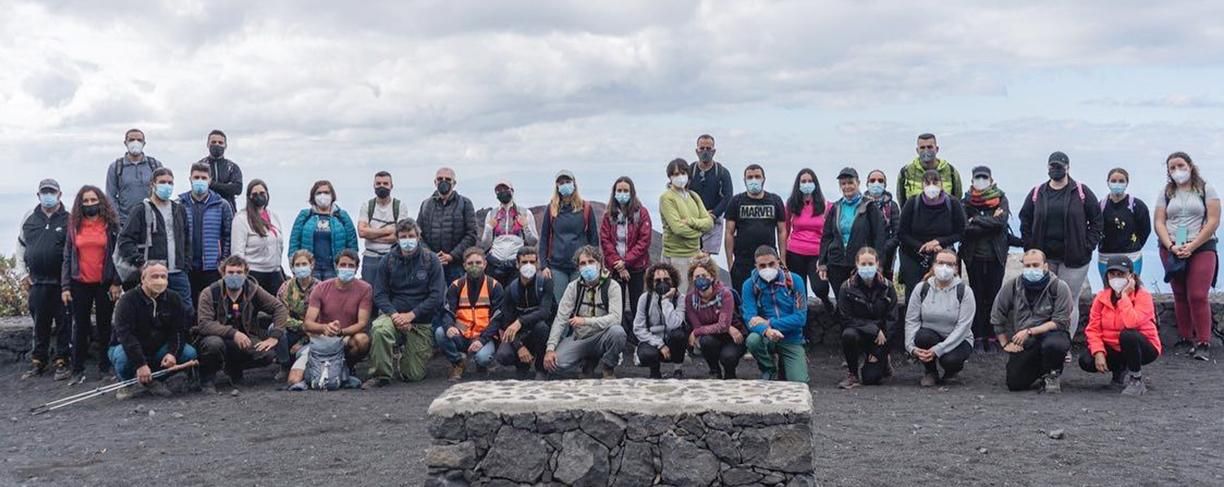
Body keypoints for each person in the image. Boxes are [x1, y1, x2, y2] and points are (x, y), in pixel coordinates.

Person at [1019, 151, 1103, 348]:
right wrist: (1030, 247)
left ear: (1067, 167)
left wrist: (1087, 246)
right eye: (1052, 166)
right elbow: (1025, 220)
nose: (1055, 169)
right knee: (1043, 300)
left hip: (1075, 259)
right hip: (1044, 258)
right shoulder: (1037, 193)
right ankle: (1043, 343)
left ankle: (1063, 344)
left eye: (1059, 166)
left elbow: (1097, 221)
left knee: (1069, 301)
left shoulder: (1081, 192)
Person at [365, 218, 447, 387]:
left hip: (421, 322)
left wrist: (411, 315)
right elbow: (379, 294)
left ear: (418, 237)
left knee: (413, 375)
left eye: (411, 236)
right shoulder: (387, 261)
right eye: (403, 237)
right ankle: (381, 375)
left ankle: (405, 356)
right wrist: (395, 315)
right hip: (393, 316)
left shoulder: (431, 260)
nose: (407, 240)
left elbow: (437, 297)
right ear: (397, 238)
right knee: (379, 330)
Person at [1154, 151, 1220, 361]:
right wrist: (1171, 245)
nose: (1177, 171)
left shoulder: (1205, 189)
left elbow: (1213, 220)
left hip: (1201, 246)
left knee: (1198, 295)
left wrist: (1193, 245)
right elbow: (1159, 221)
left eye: (1180, 166)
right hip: (1172, 247)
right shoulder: (1166, 192)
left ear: (1190, 166)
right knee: (1180, 294)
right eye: (1172, 168)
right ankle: (1185, 338)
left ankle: (1203, 341)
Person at [194, 255, 289, 393]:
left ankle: (235, 371)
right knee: (214, 344)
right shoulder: (210, 292)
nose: (235, 276)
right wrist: (233, 333)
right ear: (223, 273)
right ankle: (207, 379)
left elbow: (279, 308)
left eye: (239, 272)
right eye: (230, 272)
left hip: (245, 338)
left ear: (246, 273)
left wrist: (274, 336)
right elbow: (204, 324)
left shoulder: (253, 290)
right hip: (215, 337)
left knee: (267, 354)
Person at [109, 261, 198, 399]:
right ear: (143, 279)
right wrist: (140, 364)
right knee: (123, 358)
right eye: (154, 276)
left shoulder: (174, 298)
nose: (159, 280)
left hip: (159, 347)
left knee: (189, 353)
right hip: (129, 347)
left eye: (163, 277)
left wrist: (172, 353)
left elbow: (178, 330)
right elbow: (125, 336)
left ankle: (154, 380)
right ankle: (125, 383)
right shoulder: (127, 300)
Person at [61, 185, 123, 382]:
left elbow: (118, 255)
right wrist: (65, 286)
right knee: (80, 327)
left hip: (105, 283)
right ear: (80, 204)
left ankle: (105, 367)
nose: (90, 204)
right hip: (80, 283)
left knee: (105, 326)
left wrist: (116, 282)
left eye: (93, 200)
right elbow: (67, 256)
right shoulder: (74, 226)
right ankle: (77, 369)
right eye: (86, 201)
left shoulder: (111, 226)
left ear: (101, 202)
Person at [286, 249, 373, 388]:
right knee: (293, 381)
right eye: (343, 265)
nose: (346, 268)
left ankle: (347, 366)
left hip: (345, 338)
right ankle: (316, 371)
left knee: (362, 340)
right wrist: (325, 328)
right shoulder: (321, 288)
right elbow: (308, 323)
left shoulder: (365, 288)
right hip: (321, 341)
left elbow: (362, 323)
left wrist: (340, 332)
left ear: (357, 268)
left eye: (351, 265)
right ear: (336, 266)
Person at [991, 250, 1073, 393]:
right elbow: (997, 315)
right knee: (1015, 383)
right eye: (1027, 266)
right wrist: (1005, 343)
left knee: (1055, 345)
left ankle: (1052, 374)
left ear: (1045, 266)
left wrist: (1029, 331)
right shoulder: (1012, 285)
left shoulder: (1059, 287)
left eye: (1036, 265)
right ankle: (1040, 370)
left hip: (1051, 334)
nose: (1031, 269)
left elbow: (1061, 321)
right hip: (1025, 341)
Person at [1080, 255, 1161, 395]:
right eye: (1112, 274)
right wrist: (1098, 352)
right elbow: (1093, 328)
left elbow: (1131, 322)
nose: (1116, 278)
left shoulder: (1143, 296)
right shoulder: (1101, 298)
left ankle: (1136, 379)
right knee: (1086, 360)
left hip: (1143, 348)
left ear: (1131, 276)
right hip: (1113, 347)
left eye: (1121, 274)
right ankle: (1119, 370)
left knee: (1128, 335)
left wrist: (1124, 296)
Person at [116, 167, 193, 312]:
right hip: (153, 273)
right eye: (162, 182)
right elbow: (125, 240)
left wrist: (186, 264)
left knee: (185, 312)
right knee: (152, 312)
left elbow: (187, 239)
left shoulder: (179, 209)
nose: (167, 186)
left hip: (178, 272)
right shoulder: (140, 210)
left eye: (170, 182)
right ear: (152, 184)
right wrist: (141, 263)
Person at [543, 245, 627, 378]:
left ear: (600, 263)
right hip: (580, 338)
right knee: (555, 364)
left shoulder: (612, 286)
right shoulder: (573, 287)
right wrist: (550, 349)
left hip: (603, 337)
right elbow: (561, 319)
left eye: (591, 261)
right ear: (578, 267)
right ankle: (588, 362)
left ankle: (608, 367)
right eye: (583, 263)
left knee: (618, 332)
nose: (587, 266)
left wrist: (585, 321)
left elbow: (616, 318)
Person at [17, 179, 71, 380]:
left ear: (59, 194)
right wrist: (22, 273)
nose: (48, 196)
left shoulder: (69, 219)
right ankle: (38, 361)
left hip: (61, 283)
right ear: (38, 195)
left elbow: (74, 251)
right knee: (40, 323)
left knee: (64, 322)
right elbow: (20, 246)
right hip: (37, 282)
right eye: (44, 192)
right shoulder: (29, 218)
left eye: (52, 192)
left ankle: (62, 361)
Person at [960, 166, 1012, 353]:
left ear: (991, 180)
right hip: (974, 257)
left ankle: (992, 335)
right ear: (972, 180)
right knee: (976, 296)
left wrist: (976, 219)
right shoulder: (965, 202)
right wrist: (989, 223)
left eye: (984, 177)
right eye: (978, 177)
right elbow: (965, 228)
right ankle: (978, 336)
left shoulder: (1001, 198)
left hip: (996, 256)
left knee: (994, 297)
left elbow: (1001, 224)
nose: (981, 181)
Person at [904, 249, 974, 387]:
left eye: (949, 264)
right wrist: (911, 347)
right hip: (930, 336)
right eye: (940, 263)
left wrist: (939, 349)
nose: (944, 267)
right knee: (922, 337)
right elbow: (911, 320)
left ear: (956, 268)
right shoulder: (921, 288)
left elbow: (963, 327)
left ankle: (951, 372)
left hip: (959, 339)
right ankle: (930, 372)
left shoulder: (965, 292)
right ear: (933, 265)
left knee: (950, 360)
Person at [743, 245, 809, 382]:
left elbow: (800, 318)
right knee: (752, 341)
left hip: (791, 338)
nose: (767, 268)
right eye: (762, 266)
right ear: (756, 266)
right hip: (766, 336)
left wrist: (770, 322)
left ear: (778, 262)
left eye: (771, 264)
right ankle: (768, 368)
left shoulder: (795, 280)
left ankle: (786, 364)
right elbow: (749, 318)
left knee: (799, 382)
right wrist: (767, 331)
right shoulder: (749, 285)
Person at [437, 248, 505, 381]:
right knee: (440, 332)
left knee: (483, 358)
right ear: (464, 266)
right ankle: (458, 362)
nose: (474, 266)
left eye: (478, 263)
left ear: (485, 264)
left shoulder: (494, 286)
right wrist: (449, 326)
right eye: (470, 263)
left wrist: (482, 340)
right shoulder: (456, 286)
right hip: (461, 334)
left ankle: (481, 363)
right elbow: (447, 312)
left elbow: (497, 319)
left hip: (485, 335)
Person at [819, 168, 885, 304]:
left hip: (860, 263)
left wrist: (879, 264)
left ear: (858, 183)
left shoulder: (869, 206)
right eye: (843, 184)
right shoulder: (836, 207)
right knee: (842, 302)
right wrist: (822, 263)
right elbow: (827, 236)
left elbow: (879, 236)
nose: (847, 186)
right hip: (836, 263)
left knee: (860, 302)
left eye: (850, 183)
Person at [898, 169, 966, 301]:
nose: (931, 186)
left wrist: (939, 242)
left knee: (944, 295)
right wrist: (923, 246)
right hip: (913, 256)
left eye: (935, 182)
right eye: (927, 182)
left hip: (943, 255)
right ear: (922, 185)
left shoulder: (952, 203)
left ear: (941, 184)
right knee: (914, 296)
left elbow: (961, 231)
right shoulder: (912, 203)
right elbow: (902, 233)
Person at [599, 176, 652, 343]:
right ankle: (619, 338)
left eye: (625, 190)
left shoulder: (641, 213)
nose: (622, 193)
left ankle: (638, 337)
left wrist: (626, 261)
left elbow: (644, 241)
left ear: (632, 192)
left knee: (638, 303)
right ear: (614, 192)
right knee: (617, 304)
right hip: (616, 268)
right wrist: (619, 265)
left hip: (636, 267)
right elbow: (605, 241)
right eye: (619, 190)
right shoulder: (609, 215)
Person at [837, 248, 897, 389]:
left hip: (881, 337)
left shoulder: (887, 287)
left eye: (870, 264)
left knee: (871, 378)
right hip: (860, 332)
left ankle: (883, 361)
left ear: (877, 264)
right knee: (848, 335)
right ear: (857, 264)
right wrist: (873, 329)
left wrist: (880, 352)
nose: (867, 267)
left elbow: (892, 320)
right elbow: (845, 318)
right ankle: (852, 374)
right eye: (863, 264)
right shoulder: (846, 287)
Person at [493, 246, 555, 379]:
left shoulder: (545, 283)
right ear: (517, 264)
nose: (528, 265)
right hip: (519, 334)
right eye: (524, 262)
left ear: (537, 264)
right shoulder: (511, 289)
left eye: (532, 262)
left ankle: (541, 369)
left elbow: (544, 312)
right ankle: (522, 365)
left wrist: (520, 321)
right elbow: (507, 322)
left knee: (542, 327)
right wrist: (519, 346)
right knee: (503, 355)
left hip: (540, 331)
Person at [726, 164, 788, 293]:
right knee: (743, 295)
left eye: (757, 176)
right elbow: (729, 233)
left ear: (763, 179)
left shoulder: (775, 200)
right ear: (744, 180)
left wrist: (782, 259)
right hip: (742, 261)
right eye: (750, 177)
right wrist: (730, 262)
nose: (754, 180)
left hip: (768, 260)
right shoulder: (736, 201)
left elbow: (782, 231)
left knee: (769, 295)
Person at [540, 169, 600, 301]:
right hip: (557, 267)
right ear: (557, 186)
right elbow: (544, 238)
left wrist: (595, 264)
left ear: (574, 183)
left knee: (580, 303)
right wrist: (543, 266)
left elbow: (594, 239)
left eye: (567, 181)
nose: (565, 185)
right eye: (561, 183)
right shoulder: (551, 209)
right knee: (560, 304)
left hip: (580, 266)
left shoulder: (586, 208)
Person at [180, 162, 234, 306]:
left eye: (203, 178)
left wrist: (223, 261)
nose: (200, 181)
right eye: (196, 177)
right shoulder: (180, 204)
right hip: (187, 266)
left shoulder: (222, 205)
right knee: (188, 306)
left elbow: (228, 235)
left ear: (210, 180)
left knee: (213, 306)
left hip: (212, 267)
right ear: (190, 179)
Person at [659, 158, 714, 292]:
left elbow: (709, 223)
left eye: (683, 173)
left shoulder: (694, 196)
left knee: (697, 295)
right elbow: (678, 228)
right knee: (679, 295)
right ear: (670, 177)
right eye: (676, 174)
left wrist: (690, 221)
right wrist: (699, 232)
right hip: (676, 256)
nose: (680, 177)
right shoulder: (667, 198)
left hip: (695, 255)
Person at [685, 258, 745, 379]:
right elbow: (697, 325)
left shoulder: (725, 294)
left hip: (733, 337)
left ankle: (730, 374)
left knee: (728, 357)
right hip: (711, 338)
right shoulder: (690, 299)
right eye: (697, 277)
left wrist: (697, 332)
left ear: (712, 277)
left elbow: (722, 326)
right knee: (706, 341)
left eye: (704, 275)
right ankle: (714, 370)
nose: (700, 279)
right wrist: (723, 327)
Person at [417, 167, 478, 285]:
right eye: (440, 179)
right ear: (435, 182)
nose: (444, 182)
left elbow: (471, 234)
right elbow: (418, 234)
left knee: (456, 295)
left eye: (448, 179)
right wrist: (431, 255)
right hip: (430, 264)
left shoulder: (465, 203)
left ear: (454, 183)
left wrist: (452, 256)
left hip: (456, 265)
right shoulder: (426, 205)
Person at [287, 180, 358, 280]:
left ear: (332, 195)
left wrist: (349, 267)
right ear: (313, 196)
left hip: (334, 269)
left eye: (326, 192)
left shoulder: (342, 216)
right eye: (319, 193)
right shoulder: (305, 215)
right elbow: (294, 242)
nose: (323, 195)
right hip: (310, 270)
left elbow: (352, 243)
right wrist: (294, 266)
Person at [784, 168, 833, 312]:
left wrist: (826, 256)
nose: (807, 184)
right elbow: (785, 230)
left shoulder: (826, 206)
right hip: (795, 252)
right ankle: (803, 320)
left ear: (815, 184)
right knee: (799, 291)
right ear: (798, 184)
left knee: (820, 287)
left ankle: (826, 301)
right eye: (803, 181)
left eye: (810, 181)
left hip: (817, 253)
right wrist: (782, 255)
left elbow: (830, 233)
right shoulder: (791, 205)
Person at [633, 262, 687, 379]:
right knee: (646, 354)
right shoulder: (644, 299)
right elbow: (638, 328)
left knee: (679, 335)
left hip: (672, 341)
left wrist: (666, 300)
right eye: (658, 280)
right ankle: (655, 371)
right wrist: (660, 344)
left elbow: (674, 324)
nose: (662, 283)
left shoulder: (680, 298)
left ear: (673, 280)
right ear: (651, 283)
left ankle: (678, 369)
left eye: (666, 280)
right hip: (653, 341)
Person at [480, 179, 538, 286]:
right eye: (499, 190)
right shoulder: (492, 214)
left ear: (512, 190)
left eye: (505, 189)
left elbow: (533, 241)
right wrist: (489, 228)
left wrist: (526, 226)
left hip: (516, 263)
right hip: (495, 263)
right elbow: (484, 245)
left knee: (514, 292)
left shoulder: (525, 213)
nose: (502, 192)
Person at [230, 179, 284, 295]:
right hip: (253, 274)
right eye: (255, 194)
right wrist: (240, 274)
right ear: (249, 197)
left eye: (262, 193)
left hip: (275, 273)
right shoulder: (241, 219)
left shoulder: (274, 216)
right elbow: (237, 251)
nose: (259, 196)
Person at [358, 171, 413, 283]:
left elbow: (398, 235)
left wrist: (371, 235)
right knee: (369, 290)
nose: (381, 186)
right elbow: (362, 232)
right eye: (378, 183)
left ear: (391, 186)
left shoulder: (399, 206)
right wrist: (387, 230)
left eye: (385, 183)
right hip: (370, 257)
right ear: (374, 186)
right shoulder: (367, 206)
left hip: (393, 256)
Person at [1097, 168, 1151, 280]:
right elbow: (1095, 228)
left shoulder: (1137, 205)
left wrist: (1134, 245)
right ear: (1107, 182)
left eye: (1121, 181)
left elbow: (1145, 229)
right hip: (1105, 256)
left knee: (1131, 287)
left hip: (1132, 256)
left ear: (1127, 183)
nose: (1117, 184)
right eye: (1113, 181)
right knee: (1108, 289)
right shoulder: (1100, 206)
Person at [687, 134, 734, 255]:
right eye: (702, 148)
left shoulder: (722, 172)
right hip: (693, 219)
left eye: (708, 148)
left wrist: (713, 214)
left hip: (713, 219)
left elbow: (728, 197)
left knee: (705, 258)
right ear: (696, 150)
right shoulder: (690, 170)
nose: (705, 151)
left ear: (714, 151)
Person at [106, 128, 163, 227]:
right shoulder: (116, 167)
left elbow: (162, 191)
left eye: (139, 140)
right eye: (131, 140)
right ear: (125, 143)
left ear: (144, 143)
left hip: (151, 221)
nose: (135, 143)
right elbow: (110, 196)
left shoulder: (155, 165)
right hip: (125, 222)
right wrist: (117, 220)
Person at [276, 250, 319, 380]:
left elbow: (322, 319)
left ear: (312, 265)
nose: (301, 268)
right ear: (292, 267)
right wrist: (301, 326)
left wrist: (302, 341)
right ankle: (284, 365)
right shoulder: (286, 287)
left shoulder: (320, 287)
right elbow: (281, 315)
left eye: (304, 264)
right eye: (297, 265)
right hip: (291, 331)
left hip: (313, 335)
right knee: (274, 327)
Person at [895, 133, 963, 208]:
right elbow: (902, 201)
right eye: (922, 148)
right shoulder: (906, 172)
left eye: (930, 147)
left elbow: (957, 199)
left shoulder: (950, 171)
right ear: (917, 150)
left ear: (937, 149)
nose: (926, 150)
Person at [863, 170, 902, 281]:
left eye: (880, 181)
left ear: (885, 184)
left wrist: (883, 249)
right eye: (872, 180)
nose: (876, 183)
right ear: (867, 183)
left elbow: (897, 233)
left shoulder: (892, 206)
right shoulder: (861, 204)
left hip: (887, 252)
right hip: (864, 252)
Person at [198, 129, 243, 210]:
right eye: (213, 142)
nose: (217, 144)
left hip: (228, 210)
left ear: (225, 146)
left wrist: (211, 184)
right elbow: (198, 187)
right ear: (208, 144)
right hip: (205, 210)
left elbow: (238, 189)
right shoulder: (200, 165)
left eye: (220, 142)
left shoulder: (232, 167)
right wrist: (227, 186)